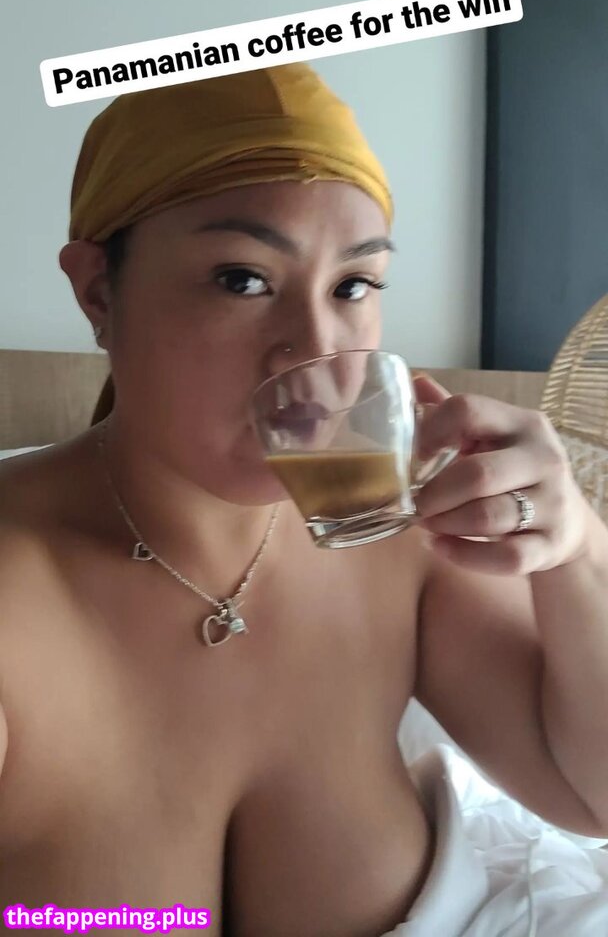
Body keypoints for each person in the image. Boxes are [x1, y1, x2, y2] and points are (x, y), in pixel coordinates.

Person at [0, 63, 607, 937]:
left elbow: (592, 797)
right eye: (242, 279)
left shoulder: (398, 539)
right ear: (98, 288)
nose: (315, 350)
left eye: (353, 286)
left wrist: (576, 550)